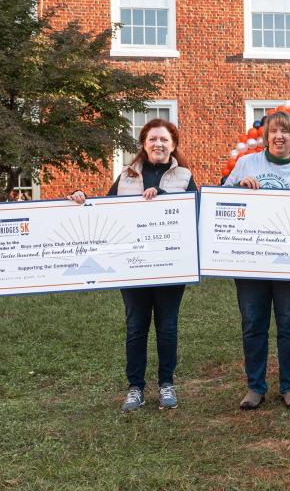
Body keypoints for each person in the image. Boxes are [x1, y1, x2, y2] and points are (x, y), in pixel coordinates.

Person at [68, 118, 197, 412]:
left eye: (165, 140)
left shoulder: (184, 176)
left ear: (173, 145)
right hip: (132, 267)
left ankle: (166, 384)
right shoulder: (126, 177)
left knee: (167, 327)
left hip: (170, 267)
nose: (158, 144)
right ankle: (135, 388)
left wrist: (166, 200)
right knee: (136, 327)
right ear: (143, 143)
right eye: (153, 139)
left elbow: (194, 213)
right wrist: (82, 200)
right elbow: (104, 212)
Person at [224, 110, 290, 410]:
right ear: (265, 137)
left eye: (285, 132)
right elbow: (221, 203)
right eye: (274, 131)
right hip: (251, 261)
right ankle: (255, 387)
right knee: (253, 323)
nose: (279, 136)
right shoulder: (245, 164)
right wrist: (238, 188)